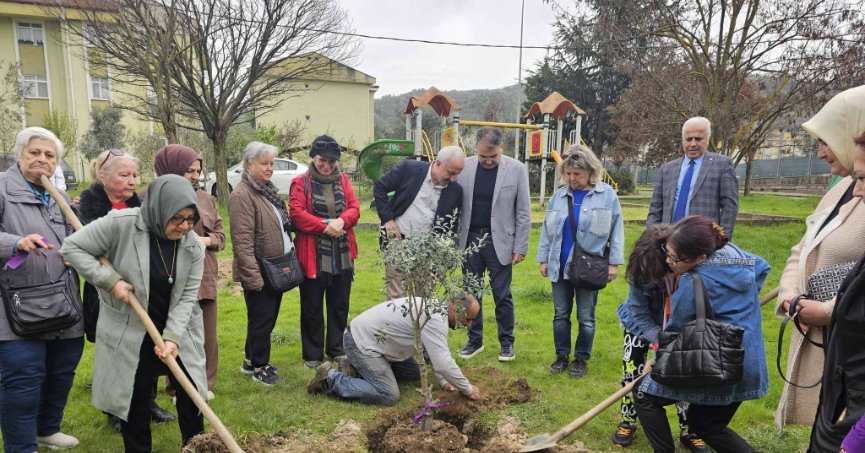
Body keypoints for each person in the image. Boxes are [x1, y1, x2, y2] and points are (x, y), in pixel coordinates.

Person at [60, 175, 207, 453]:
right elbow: (72, 248)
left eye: (191, 219)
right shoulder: (122, 224)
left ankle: (196, 446)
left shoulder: (193, 245)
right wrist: (109, 280)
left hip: (178, 329)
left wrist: (173, 337)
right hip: (131, 328)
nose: (185, 226)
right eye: (177, 218)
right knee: (135, 399)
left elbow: (186, 297)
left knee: (192, 394)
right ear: (160, 210)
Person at [634, 216, 770, 453]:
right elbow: (763, 267)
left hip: (718, 361)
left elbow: (676, 332)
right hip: (749, 361)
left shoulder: (692, 280)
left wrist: (655, 361)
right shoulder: (740, 257)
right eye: (668, 253)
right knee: (706, 423)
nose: (669, 262)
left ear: (701, 257)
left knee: (644, 393)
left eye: (675, 259)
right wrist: (741, 304)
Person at [775, 85, 865, 429]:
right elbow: (803, 247)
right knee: (824, 426)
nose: (822, 153)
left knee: (842, 430)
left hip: (851, 346)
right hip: (819, 330)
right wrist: (789, 297)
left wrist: (828, 311)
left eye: (827, 140)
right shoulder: (840, 189)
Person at [78, 149, 177, 427]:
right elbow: (86, 250)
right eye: (124, 175)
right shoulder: (88, 208)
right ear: (103, 176)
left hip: (141, 288)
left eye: (134, 175)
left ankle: (146, 402)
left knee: (145, 346)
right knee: (116, 349)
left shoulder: (142, 207)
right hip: (106, 290)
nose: (132, 181)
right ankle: (116, 410)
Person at [0, 127, 85, 452]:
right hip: (14, 305)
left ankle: (47, 429)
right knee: (23, 379)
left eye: (50, 156)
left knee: (62, 371)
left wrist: (75, 253)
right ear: (19, 154)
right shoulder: (3, 189)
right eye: (35, 152)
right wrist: (15, 243)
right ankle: (21, 447)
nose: (42, 160)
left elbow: (74, 239)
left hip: (62, 301)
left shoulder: (59, 199)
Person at [613, 225, 709, 452]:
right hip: (639, 325)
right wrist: (659, 343)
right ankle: (628, 420)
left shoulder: (688, 268)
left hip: (679, 329)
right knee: (632, 374)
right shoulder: (641, 271)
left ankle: (689, 429)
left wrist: (671, 347)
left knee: (682, 375)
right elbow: (639, 312)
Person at [807, 96, 865, 453]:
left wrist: (856, 440)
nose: (858, 191)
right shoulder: (840, 191)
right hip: (843, 385)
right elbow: (805, 247)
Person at [536, 145, 624, 378]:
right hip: (559, 264)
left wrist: (614, 263)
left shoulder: (607, 196)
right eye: (568, 173)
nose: (572, 179)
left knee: (586, 317)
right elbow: (547, 230)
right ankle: (561, 356)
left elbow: (617, 231)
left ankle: (581, 359)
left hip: (589, 267)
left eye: (578, 174)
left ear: (591, 172)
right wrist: (543, 258)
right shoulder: (559, 196)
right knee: (560, 314)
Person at [307, 295, 481, 405]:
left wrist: (444, 382)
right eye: (468, 318)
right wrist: (467, 389)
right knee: (388, 394)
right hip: (361, 343)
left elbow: (433, 354)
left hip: (376, 343)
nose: (469, 324)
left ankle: (357, 370)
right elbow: (443, 363)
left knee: (415, 373)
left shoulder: (434, 310)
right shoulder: (434, 318)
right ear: (454, 308)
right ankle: (330, 379)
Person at [153, 145, 225, 398]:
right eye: (189, 170)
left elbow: (220, 236)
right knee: (175, 334)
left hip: (204, 274)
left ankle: (204, 384)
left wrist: (204, 242)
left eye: (198, 171)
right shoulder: (151, 197)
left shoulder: (206, 199)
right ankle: (176, 387)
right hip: (169, 276)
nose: (195, 176)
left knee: (207, 334)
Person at [454, 127, 530, 362]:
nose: (487, 161)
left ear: (502, 148)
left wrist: (520, 246)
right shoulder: (464, 167)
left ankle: (507, 344)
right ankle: (474, 341)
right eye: (482, 156)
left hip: (501, 242)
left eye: (493, 157)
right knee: (471, 293)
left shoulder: (517, 170)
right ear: (475, 149)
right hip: (470, 240)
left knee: (502, 294)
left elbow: (524, 211)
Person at [289, 135, 360, 369]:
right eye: (322, 160)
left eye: (332, 162)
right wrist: (324, 227)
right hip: (313, 257)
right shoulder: (301, 182)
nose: (327, 166)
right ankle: (312, 353)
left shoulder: (344, 181)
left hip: (341, 255)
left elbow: (354, 208)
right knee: (312, 306)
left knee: (340, 304)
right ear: (313, 157)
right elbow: (297, 215)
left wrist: (342, 221)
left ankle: (337, 348)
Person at [229, 141, 295, 386]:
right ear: (249, 165)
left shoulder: (266, 190)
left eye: (272, 163)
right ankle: (260, 367)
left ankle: (249, 360)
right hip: (258, 268)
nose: (269, 168)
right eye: (264, 163)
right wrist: (253, 278)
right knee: (262, 319)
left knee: (264, 317)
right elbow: (242, 242)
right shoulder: (242, 195)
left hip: (273, 266)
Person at [373, 146, 465, 299]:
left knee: (425, 299)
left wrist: (440, 263)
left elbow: (450, 228)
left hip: (429, 251)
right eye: (451, 173)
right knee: (396, 298)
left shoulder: (456, 191)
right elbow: (380, 187)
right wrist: (388, 219)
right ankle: (396, 323)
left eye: (458, 174)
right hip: (398, 242)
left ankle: (418, 324)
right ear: (437, 163)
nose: (453, 178)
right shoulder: (409, 169)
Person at [646, 117, 739, 239]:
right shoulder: (667, 169)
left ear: (707, 139)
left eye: (698, 139)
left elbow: (730, 207)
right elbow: (655, 208)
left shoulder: (722, 164)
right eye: (688, 139)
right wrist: (651, 237)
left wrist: (723, 241)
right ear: (683, 140)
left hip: (702, 241)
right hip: (668, 239)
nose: (693, 144)